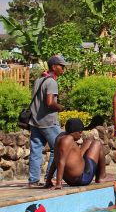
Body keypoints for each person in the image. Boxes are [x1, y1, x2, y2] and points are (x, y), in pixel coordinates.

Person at [27, 55, 66, 187]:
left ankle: (33, 180)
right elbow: (50, 103)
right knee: (58, 148)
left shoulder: (39, 79)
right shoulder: (51, 82)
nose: (63, 69)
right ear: (54, 67)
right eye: (61, 66)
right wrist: (60, 107)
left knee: (36, 150)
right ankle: (52, 176)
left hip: (35, 121)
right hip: (48, 122)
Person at [47, 117, 108, 189]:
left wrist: (48, 180)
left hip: (73, 179)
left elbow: (56, 160)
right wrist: (58, 183)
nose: (81, 134)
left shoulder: (60, 137)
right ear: (73, 132)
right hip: (82, 178)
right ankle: (101, 177)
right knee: (97, 143)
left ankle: (99, 175)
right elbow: (61, 161)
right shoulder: (67, 140)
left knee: (89, 141)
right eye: (80, 132)